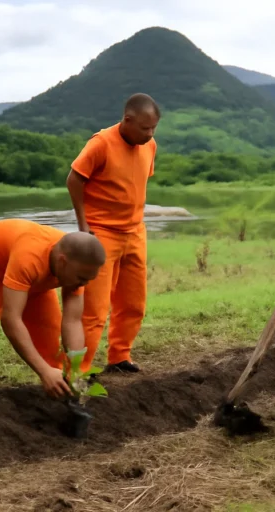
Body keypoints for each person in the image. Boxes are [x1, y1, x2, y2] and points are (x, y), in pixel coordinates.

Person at [0, 219, 106, 401]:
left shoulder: (78, 264)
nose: (84, 284)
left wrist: (74, 372)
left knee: (50, 339)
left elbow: (72, 321)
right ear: (62, 262)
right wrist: (42, 370)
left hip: (31, 277)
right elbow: (11, 320)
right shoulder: (30, 258)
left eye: (89, 279)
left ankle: (59, 390)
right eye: (81, 278)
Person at [66, 93, 160, 375]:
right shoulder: (101, 143)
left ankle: (119, 356)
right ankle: (77, 372)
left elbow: (134, 181)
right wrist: (84, 227)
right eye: (145, 128)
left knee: (133, 302)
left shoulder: (150, 145)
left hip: (135, 233)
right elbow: (74, 180)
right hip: (101, 234)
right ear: (127, 120)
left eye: (154, 128)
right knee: (94, 310)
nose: (150, 134)